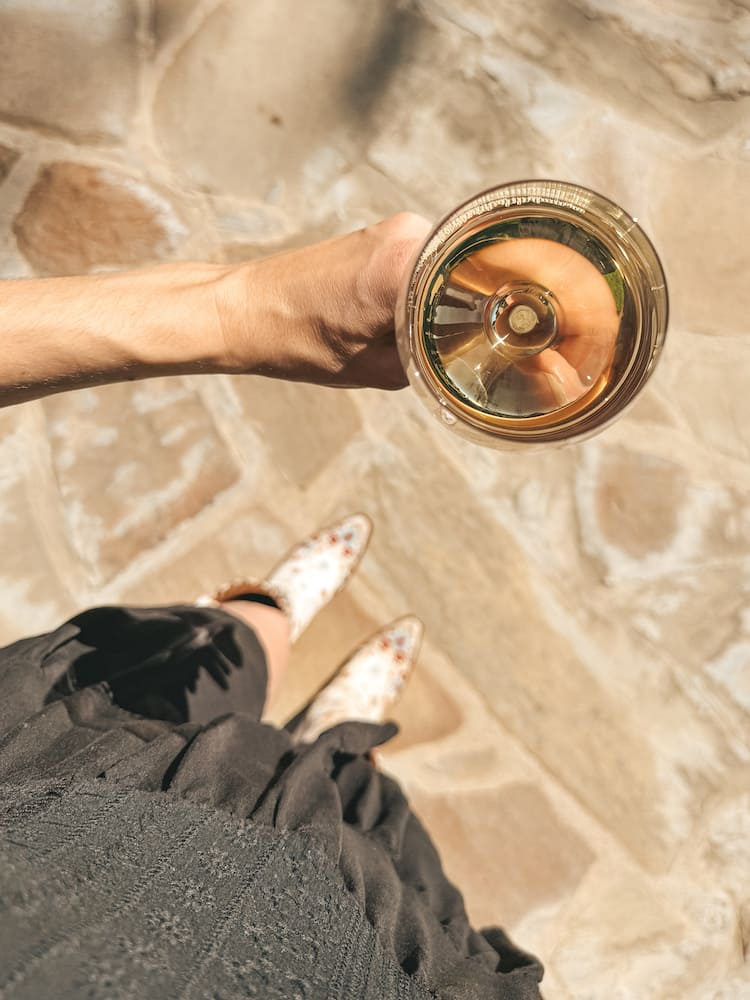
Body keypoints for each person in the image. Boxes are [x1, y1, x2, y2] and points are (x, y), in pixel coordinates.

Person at [0, 214, 545, 999]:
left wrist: (244, 309)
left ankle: (264, 612)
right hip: (368, 935)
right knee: (358, 794)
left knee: (216, 652)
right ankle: (332, 744)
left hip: (59, 790)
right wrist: (234, 308)